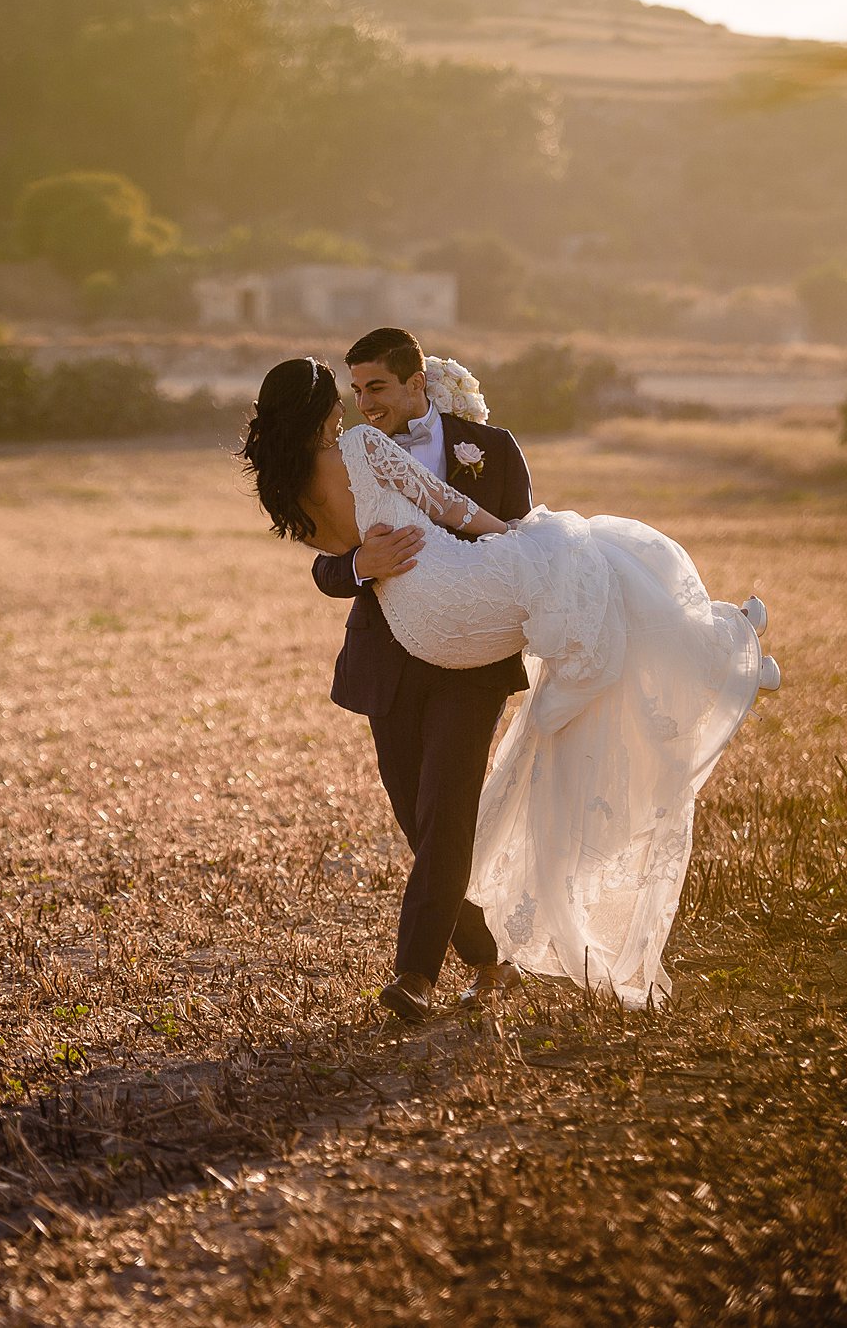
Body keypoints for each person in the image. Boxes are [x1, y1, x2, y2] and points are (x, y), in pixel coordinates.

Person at [239, 331, 778, 1015]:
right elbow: (325, 564)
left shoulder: (490, 448)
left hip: (471, 660)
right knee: (421, 823)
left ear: (418, 384)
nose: (364, 402)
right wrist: (358, 566)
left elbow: (502, 531)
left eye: (376, 387)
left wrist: (509, 543)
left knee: (449, 815)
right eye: (355, 391)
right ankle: (492, 960)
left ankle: (414, 977)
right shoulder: (329, 462)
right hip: (391, 659)